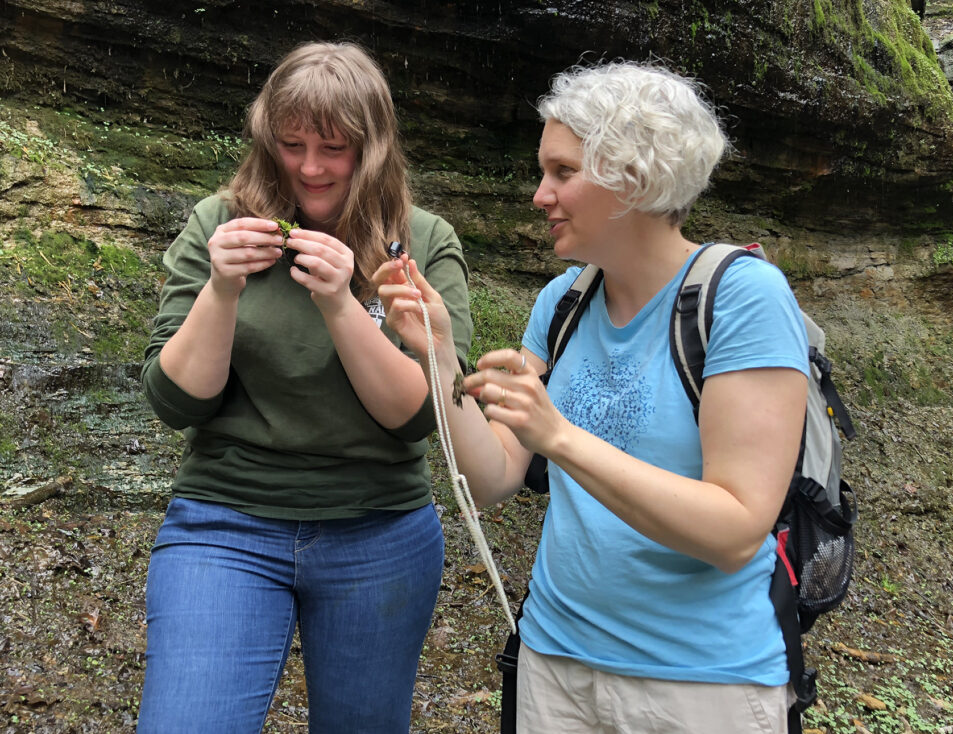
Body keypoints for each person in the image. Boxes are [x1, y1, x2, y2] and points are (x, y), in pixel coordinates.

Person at [375, 60, 809, 732]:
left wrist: (562, 439)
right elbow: (491, 479)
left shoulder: (743, 298)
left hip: (700, 685)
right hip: (554, 670)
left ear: (633, 178)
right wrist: (436, 354)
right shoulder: (563, 302)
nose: (539, 194)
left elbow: (734, 530)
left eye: (562, 172)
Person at [137, 41, 471, 733]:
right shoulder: (218, 223)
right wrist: (222, 289)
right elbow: (176, 403)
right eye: (292, 145)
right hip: (224, 519)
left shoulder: (422, 243)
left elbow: (416, 418)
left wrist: (343, 305)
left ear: (372, 148)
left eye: (334, 148)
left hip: (380, 530)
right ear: (267, 141)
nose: (311, 168)